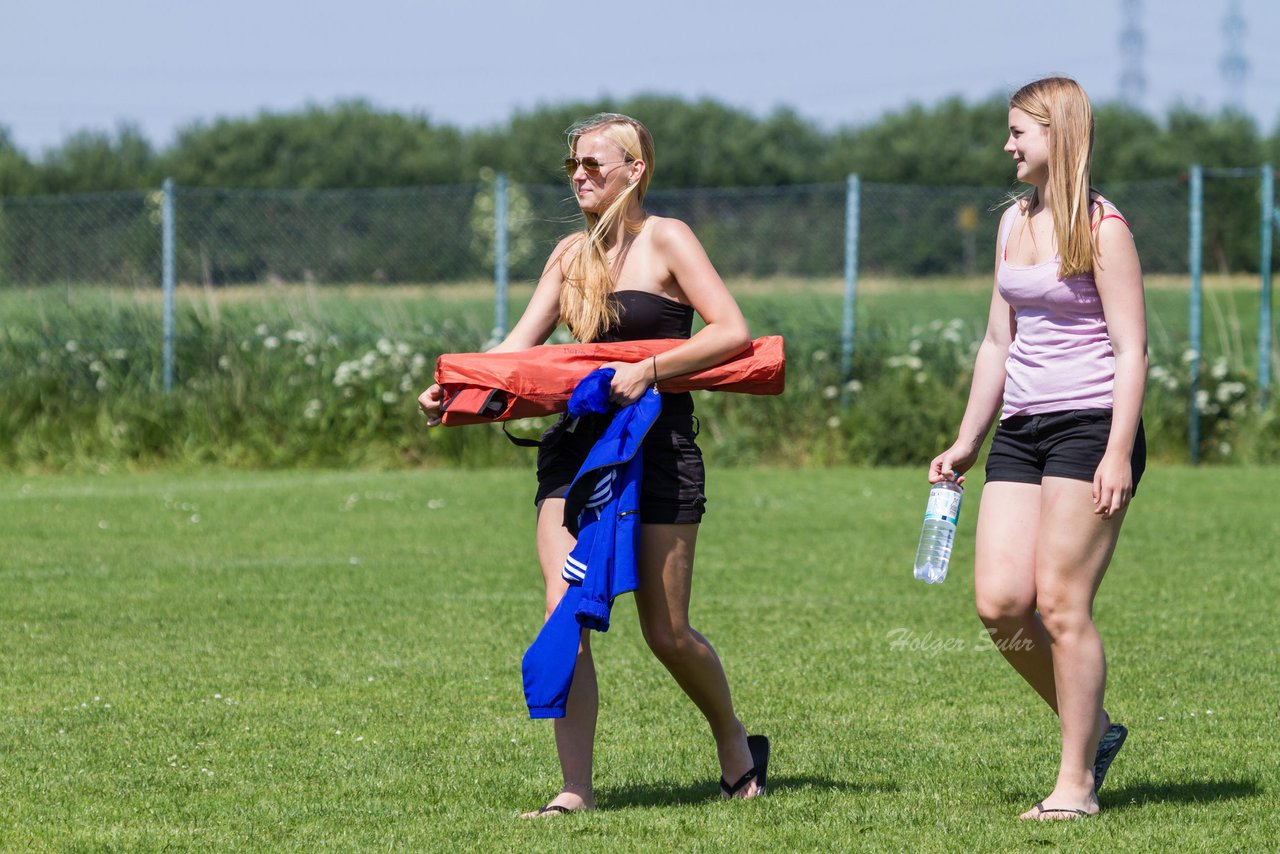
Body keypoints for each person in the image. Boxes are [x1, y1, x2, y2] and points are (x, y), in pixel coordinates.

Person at [419, 113, 768, 817]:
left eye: (593, 164)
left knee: (666, 632)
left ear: (634, 170)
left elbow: (732, 332)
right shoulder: (566, 258)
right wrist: (456, 394)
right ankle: (574, 789)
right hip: (578, 452)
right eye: (573, 165)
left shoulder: (668, 239)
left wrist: (653, 369)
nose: (580, 175)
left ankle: (734, 742)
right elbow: (515, 354)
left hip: (660, 447)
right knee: (564, 609)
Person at [928, 77, 1147, 821]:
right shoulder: (1012, 223)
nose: (1008, 145)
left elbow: (1132, 348)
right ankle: (1096, 728)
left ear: (1059, 134)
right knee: (999, 604)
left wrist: (1118, 451)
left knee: (1059, 603)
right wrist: (966, 440)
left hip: (1090, 426)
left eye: (1020, 131)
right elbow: (998, 342)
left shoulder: (1103, 226)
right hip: (1020, 430)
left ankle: (1075, 784)